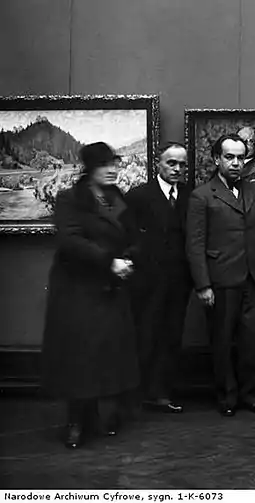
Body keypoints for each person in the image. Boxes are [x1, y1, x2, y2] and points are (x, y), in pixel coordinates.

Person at [42, 142, 140, 448]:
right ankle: (76, 421)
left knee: (106, 355)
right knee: (79, 356)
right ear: (90, 168)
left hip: (110, 288)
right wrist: (109, 261)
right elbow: (71, 241)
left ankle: (98, 416)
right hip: (78, 288)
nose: (112, 170)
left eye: (114, 164)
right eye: (104, 165)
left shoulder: (117, 197)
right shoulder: (70, 198)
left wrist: (129, 259)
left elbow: (133, 235)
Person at [186, 133, 255, 417]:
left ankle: (250, 395)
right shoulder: (201, 195)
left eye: (240, 158)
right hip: (220, 279)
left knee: (252, 342)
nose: (235, 163)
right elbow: (195, 244)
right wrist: (203, 285)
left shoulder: (254, 192)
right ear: (216, 159)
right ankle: (227, 397)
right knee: (221, 342)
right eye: (229, 157)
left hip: (253, 279)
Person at [124, 142, 191, 414]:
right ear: (158, 163)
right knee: (146, 334)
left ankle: (161, 392)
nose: (177, 169)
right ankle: (137, 395)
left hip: (179, 280)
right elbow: (127, 236)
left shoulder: (190, 196)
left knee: (171, 335)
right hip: (146, 280)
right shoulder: (139, 196)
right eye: (171, 163)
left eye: (182, 164)